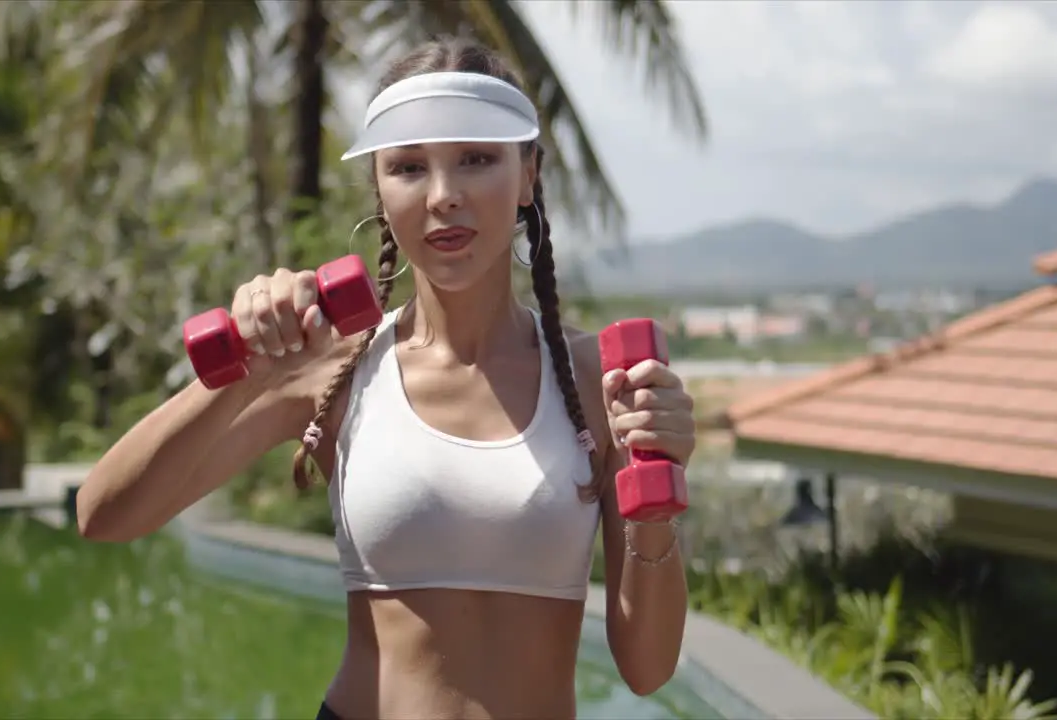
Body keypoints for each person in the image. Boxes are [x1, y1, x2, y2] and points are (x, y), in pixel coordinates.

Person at [76, 36, 698, 720]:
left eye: (476, 160)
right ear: (378, 186)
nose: (443, 196)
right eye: (408, 167)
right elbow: (105, 516)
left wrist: (660, 506)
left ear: (528, 176)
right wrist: (247, 373)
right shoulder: (334, 368)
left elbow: (646, 669)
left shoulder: (599, 384)